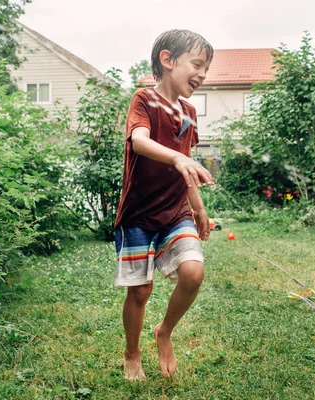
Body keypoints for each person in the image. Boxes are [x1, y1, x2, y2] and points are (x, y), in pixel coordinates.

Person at [113, 29, 214, 380]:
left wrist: (198, 208)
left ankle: (165, 331)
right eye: (197, 64)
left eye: (206, 69)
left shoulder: (188, 112)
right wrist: (177, 158)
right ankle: (131, 351)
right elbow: (139, 142)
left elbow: (184, 164)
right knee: (140, 291)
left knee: (193, 272)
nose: (202, 74)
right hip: (139, 214)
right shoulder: (144, 99)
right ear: (167, 60)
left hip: (176, 212)